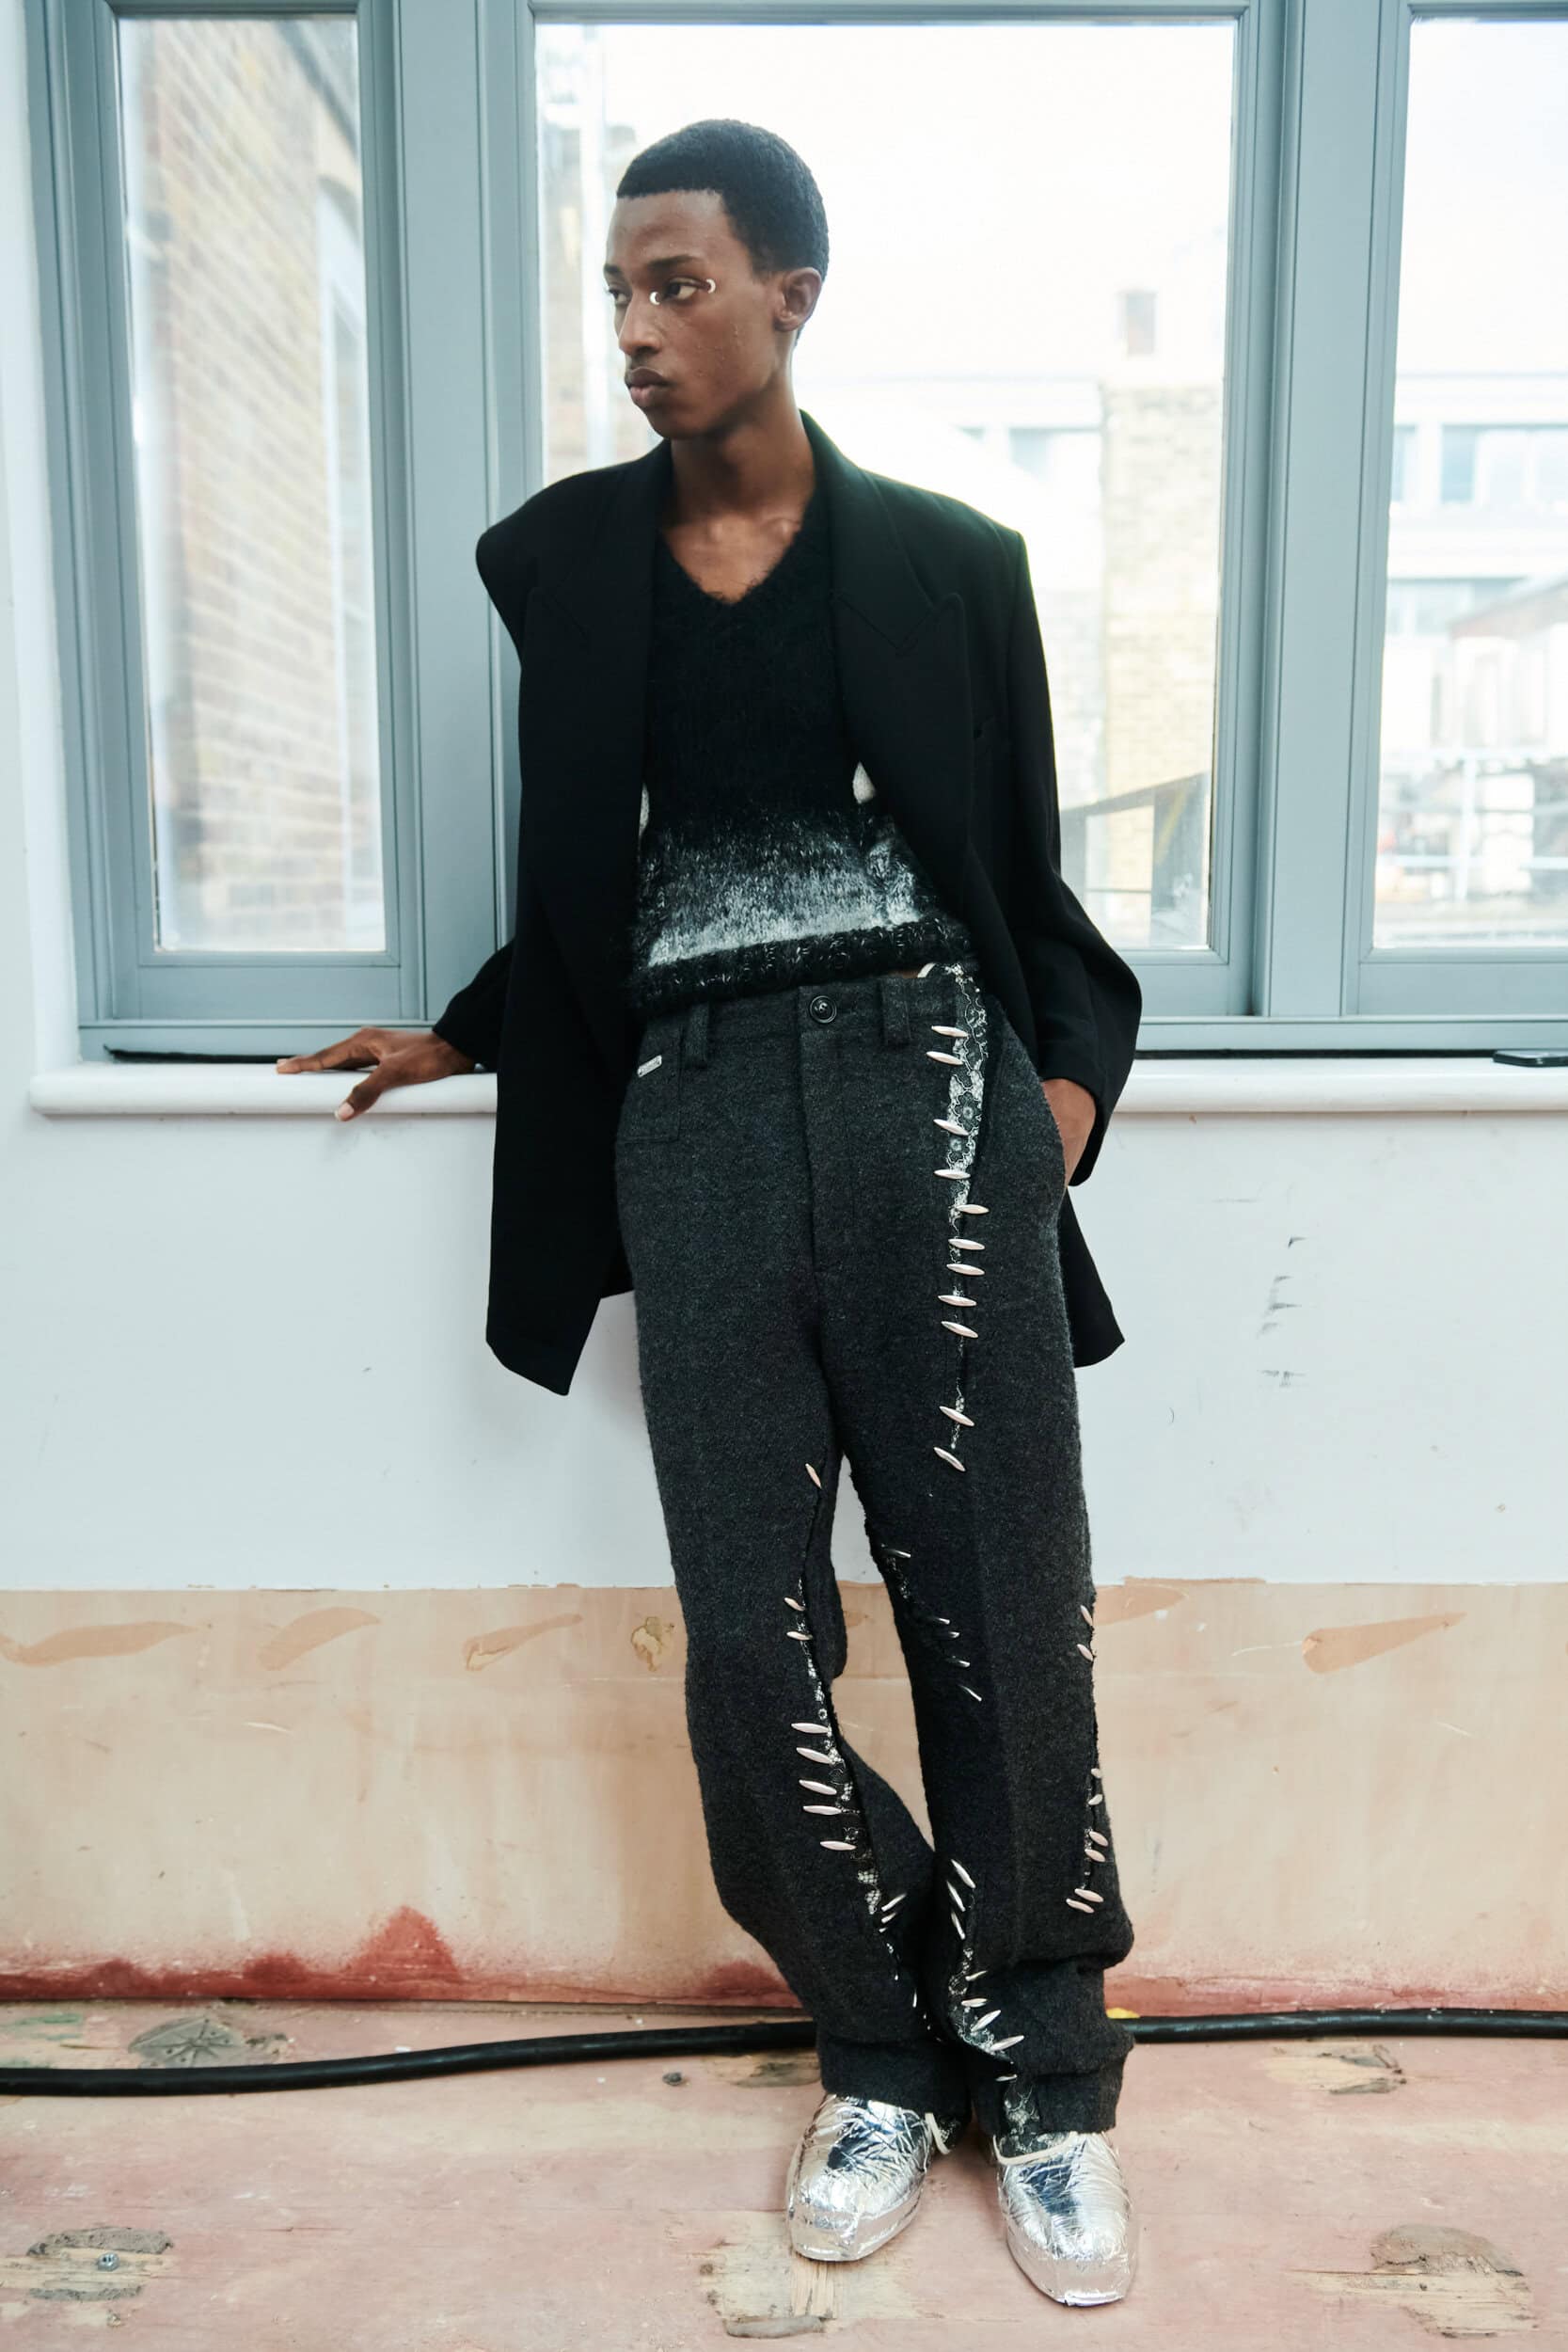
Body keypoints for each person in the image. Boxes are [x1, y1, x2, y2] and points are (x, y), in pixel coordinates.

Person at [277, 118, 1143, 2307]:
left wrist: (1056, 1093)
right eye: (619, 293)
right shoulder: (562, 566)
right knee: (753, 1635)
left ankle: (1047, 2071)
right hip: (697, 1105)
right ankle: (886, 2038)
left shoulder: (952, 564)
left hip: (930, 1082)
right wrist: (465, 1030)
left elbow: (1021, 870)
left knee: (1000, 1601)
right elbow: (605, 880)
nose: (640, 331)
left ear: (790, 293)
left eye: (679, 284)